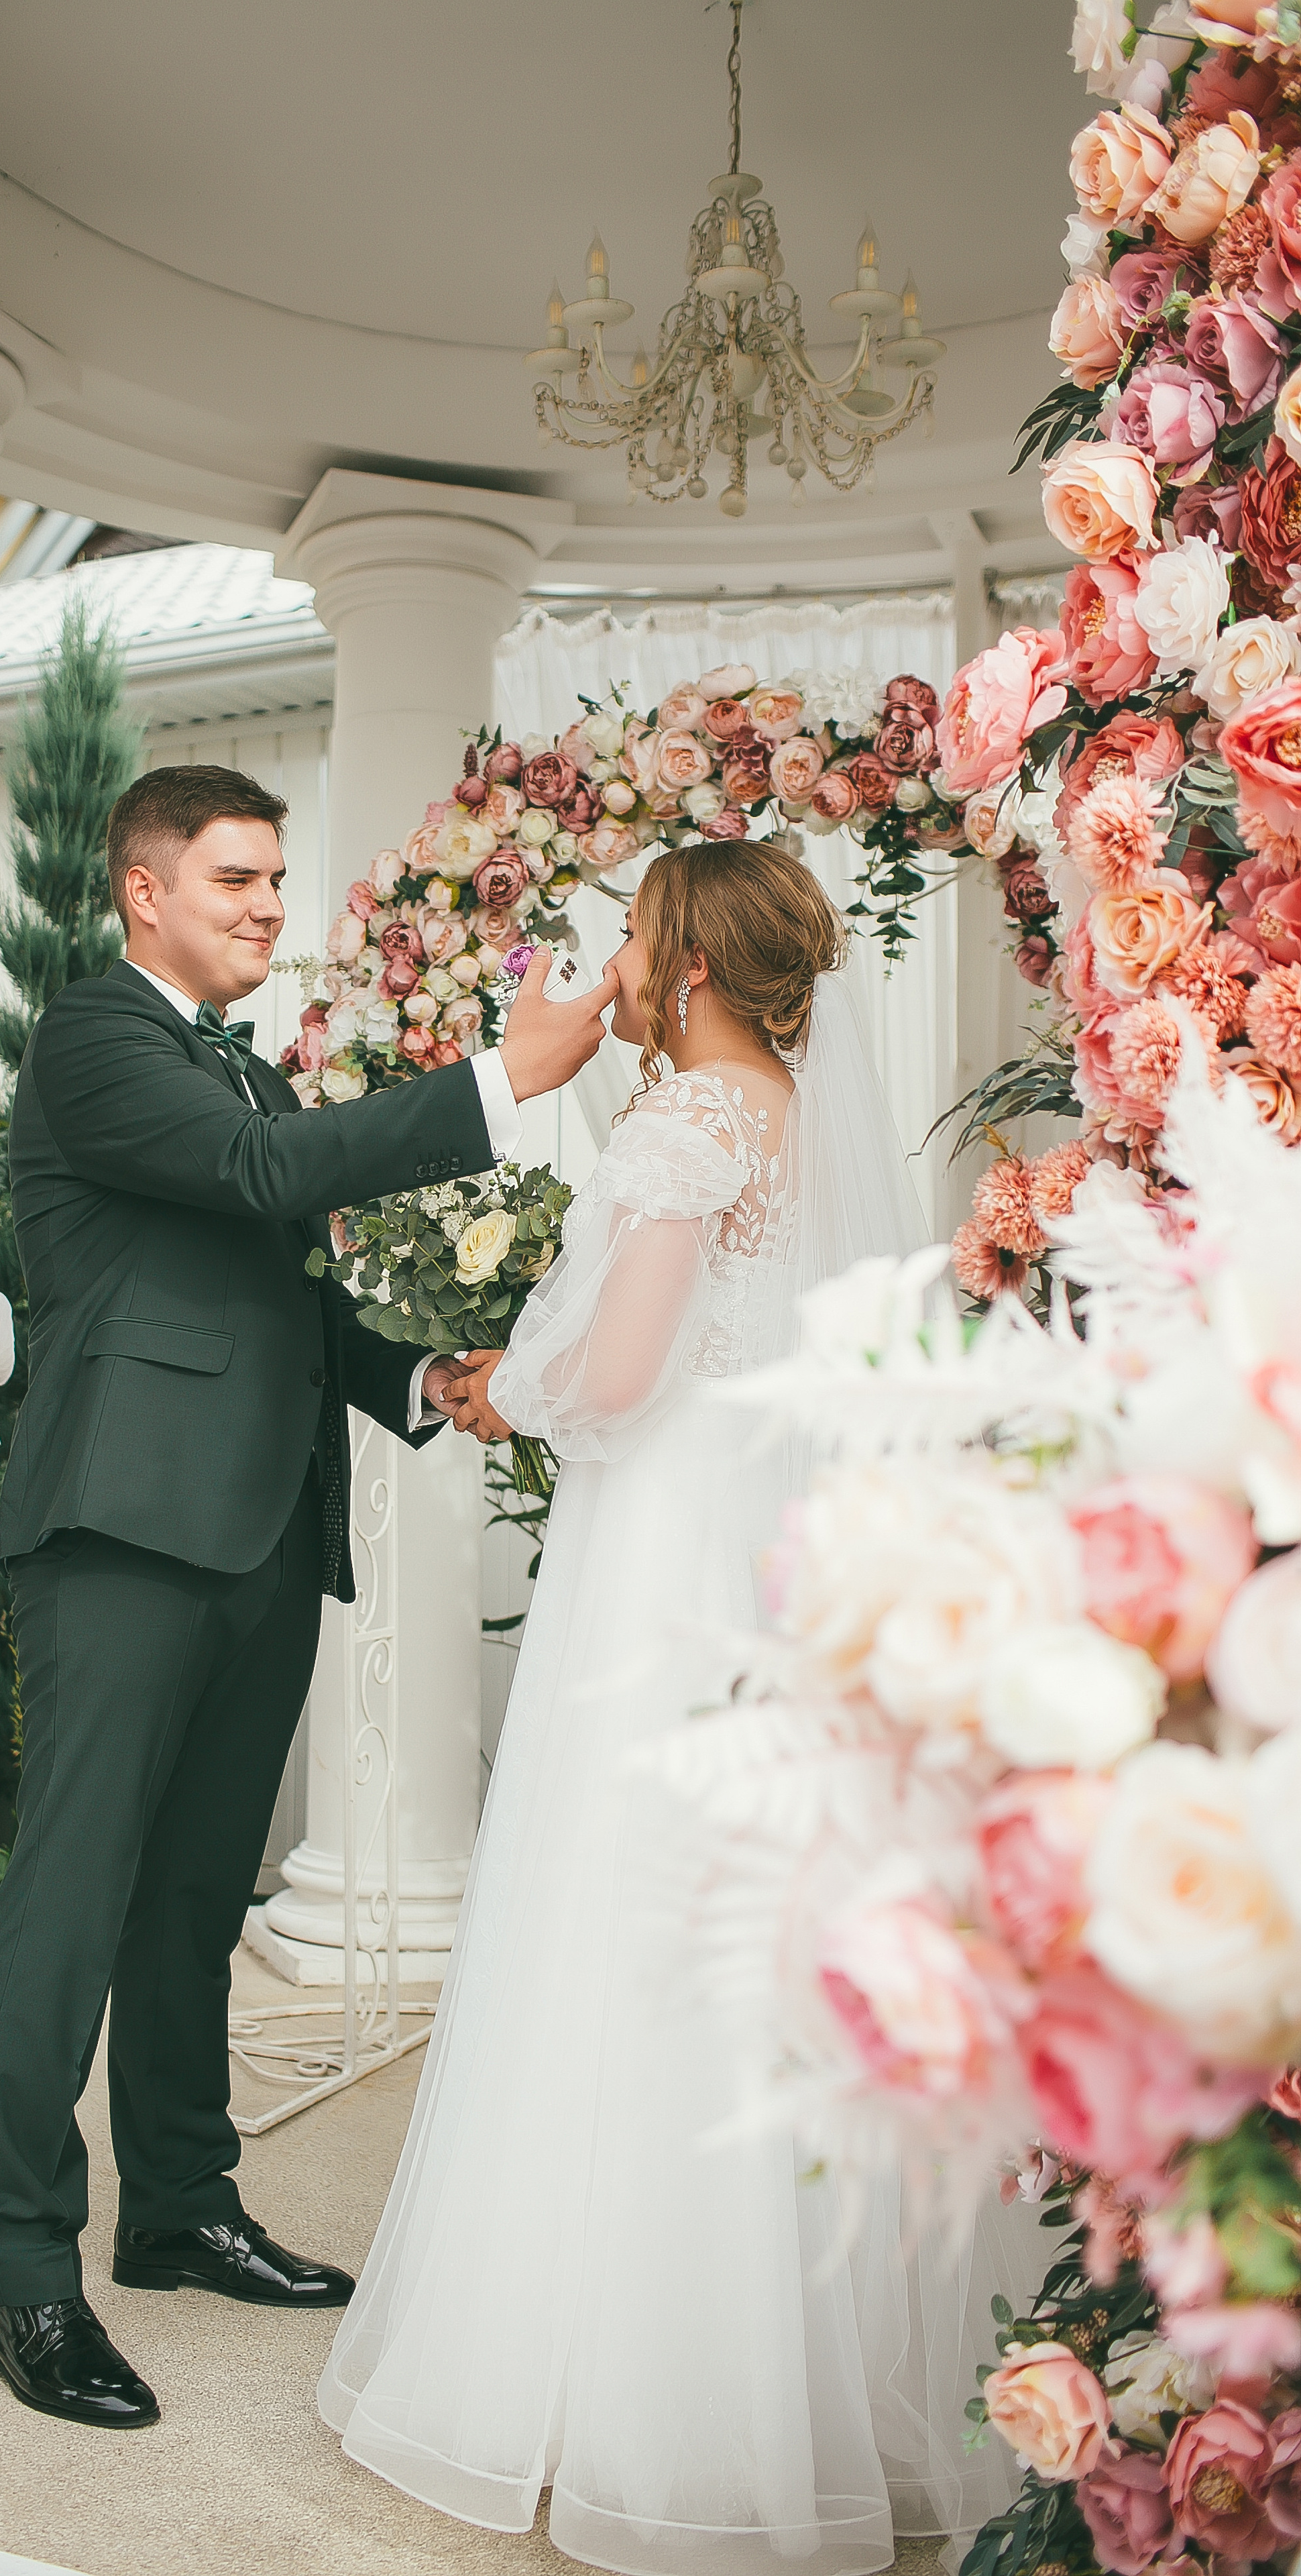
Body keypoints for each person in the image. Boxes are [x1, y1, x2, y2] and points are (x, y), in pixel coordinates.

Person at [318, 838, 1036, 2572]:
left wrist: (508, 1386)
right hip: (758, 1557)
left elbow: (624, 1370)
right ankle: (769, 2394)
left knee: (615, 1915)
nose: (618, 967)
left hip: (655, 1560)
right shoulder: (787, 1113)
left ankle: (610, 2399)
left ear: (691, 964)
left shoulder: (682, 1121)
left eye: (635, 939)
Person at [0, 763, 614, 2430]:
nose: (267, 906)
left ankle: (177, 2208)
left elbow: (280, 1290)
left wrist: (427, 1383)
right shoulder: (94, 1035)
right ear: (144, 891)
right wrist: (502, 1080)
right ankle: (18, 2281)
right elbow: (263, 1181)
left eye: (273, 879)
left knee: (194, 1903)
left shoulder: (238, 1067)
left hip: (260, 1531)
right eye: (234, 879)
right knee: (68, 1903)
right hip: (122, 1527)